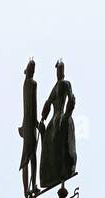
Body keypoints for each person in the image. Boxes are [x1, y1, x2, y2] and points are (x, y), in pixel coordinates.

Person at [39, 59, 77, 190]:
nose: (59, 73)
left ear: (64, 72)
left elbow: (71, 97)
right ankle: (52, 174)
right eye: (58, 70)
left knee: (59, 142)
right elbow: (48, 102)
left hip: (61, 116)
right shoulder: (54, 87)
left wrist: (69, 111)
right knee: (48, 145)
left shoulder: (66, 84)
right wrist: (43, 116)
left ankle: (63, 169)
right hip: (53, 119)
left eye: (61, 70)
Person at [18, 58, 40, 198]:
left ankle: (27, 189)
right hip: (30, 125)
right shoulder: (32, 84)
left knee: (26, 156)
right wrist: (38, 125)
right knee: (32, 156)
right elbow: (33, 107)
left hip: (26, 126)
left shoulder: (25, 83)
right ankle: (31, 187)